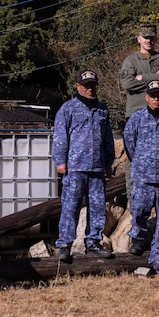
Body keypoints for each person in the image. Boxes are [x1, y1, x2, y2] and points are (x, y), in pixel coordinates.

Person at [53, 70, 116, 263]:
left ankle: (93, 243)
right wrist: (60, 161)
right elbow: (60, 136)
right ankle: (65, 244)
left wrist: (108, 162)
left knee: (97, 207)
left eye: (93, 85)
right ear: (78, 86)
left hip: (97, 167)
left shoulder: (102, 109)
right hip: (74, 167)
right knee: (70, 207)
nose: (90, 89)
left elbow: (108, 138)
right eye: (86, 85)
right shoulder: (68, 109)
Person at [123, 80, 159, 257]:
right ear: (146, 97)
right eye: (153, 96)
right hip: (143, 176)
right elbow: (129, 144)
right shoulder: (137, 119)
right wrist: (142, 162)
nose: (157, 99)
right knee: (139, 211)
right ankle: (139, 240)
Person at [119, 24, 159, 119]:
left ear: (156, 39)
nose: (148, 41)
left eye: (151, 38)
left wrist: (142, 78)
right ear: (138, 39)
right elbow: (127, 84)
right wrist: (157, 77)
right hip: (137, 112)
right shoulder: (131, 60)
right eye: (145, 37)